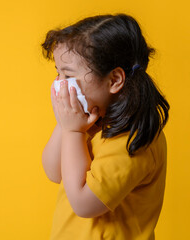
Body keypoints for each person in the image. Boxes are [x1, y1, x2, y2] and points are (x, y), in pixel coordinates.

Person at [41, 13, 170, 240]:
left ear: (114, 80)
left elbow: (83, 204)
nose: (59, 83)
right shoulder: (89, 120)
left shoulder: (134, 139)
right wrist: (65, 125)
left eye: (68, 74)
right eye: (57, 73)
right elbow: (53, 172)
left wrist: (72, 131)